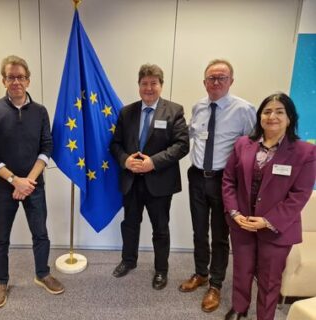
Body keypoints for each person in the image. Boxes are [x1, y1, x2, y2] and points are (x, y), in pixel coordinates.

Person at [0, 55, 64, 308]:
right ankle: (1, 282)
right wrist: (15, 181)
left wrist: (28, 181)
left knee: (41, 233)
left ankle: (42, 274)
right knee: (0, 238)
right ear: (3, 80)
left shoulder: (40, 111)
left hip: (34, 185)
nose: (16, 81)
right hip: (4, 187)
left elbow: (47, 147)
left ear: (28, 80)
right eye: (11, 77)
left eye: (21, 77)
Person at [222, 93, 316, 320]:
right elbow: (228, 180)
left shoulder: (305, 152)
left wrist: (267, 221)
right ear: (260, 117)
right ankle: (239, 307)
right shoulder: (243, 144)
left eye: (279, 111)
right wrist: (234, 213)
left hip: (276, 228)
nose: (272, 116)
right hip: (242, 222)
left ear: (290, 118)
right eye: (266, 111)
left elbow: (300, 194)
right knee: (242, 269)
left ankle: (265, 316)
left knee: (270, 277)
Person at [179, 59, 256, 312]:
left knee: (220, 236)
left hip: (225, 181)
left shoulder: (244, 110)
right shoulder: (198, 107)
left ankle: (215, 284)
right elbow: (192, 136)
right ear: (204, 82)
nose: (216, 82)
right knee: (199, 230)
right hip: (197, 177)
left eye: (221, 77)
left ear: (231, 81)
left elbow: (253, 148)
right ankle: (200, 273)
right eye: (211, 78)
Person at [110, 63, 189, 290]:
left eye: (153, 83)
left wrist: (152, 163)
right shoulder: (126, 112)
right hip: (131, 181)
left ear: (161, 85)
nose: (149, 88)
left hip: (160, 182)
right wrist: (125, 160)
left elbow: (182, 145)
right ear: (139, 86)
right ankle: (128, 260)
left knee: (160, 228)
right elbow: (115, 145)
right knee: (130, 224)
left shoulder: (174, 111)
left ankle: (161, 270)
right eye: (144, 83)